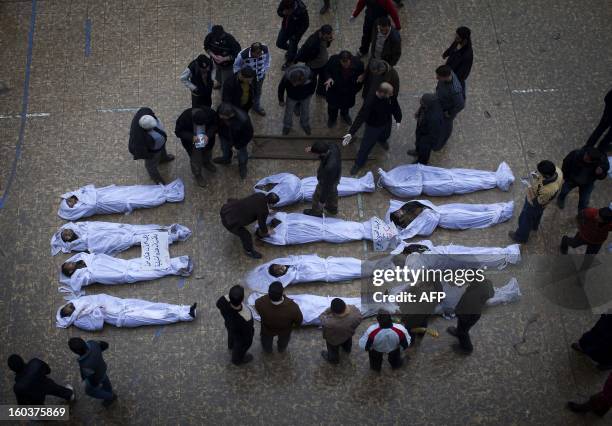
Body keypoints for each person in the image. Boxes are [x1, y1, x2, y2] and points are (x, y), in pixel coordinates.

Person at [343, 82, 402, 175]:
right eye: (390, 94)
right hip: (373, 127)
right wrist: (351, 132)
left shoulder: (390, 96)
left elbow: (395, 107)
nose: (392, 95)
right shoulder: (370, 101)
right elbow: (361, 117)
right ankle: (359, 163)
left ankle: (382, 140)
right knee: (365, 146)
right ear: (382, 93)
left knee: (385, 134)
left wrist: (398, 119)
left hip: (386, 122)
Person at [59, 252, 192, 293]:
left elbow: (95, 256)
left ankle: (177, 262)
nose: (71, 261)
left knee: (147, 262)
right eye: (69, 264)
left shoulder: (82, 259)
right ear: (71, 271)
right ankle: (177, 269)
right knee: (149, 273)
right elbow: (91, 276)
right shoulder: (79, 275)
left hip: (120, 263)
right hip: (119, 274)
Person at [58, 179, 184, 221]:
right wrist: (87, 195)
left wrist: (83, 194)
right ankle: (164, 196)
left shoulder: (80, 195)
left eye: (69, 200)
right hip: (110, 203)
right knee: (137, 199)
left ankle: (162, 190)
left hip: (109, 194)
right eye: (70, 204)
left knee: (136, 190)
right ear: (72, 209)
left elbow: (89, 188)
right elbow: (92, 203)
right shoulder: (85, 207)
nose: (71, 200)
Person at [57, 295, 197, 330]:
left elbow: (98, 298)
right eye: (68, 308)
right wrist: (98, 313)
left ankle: (183, 308)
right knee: (153, 317)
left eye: (67, 305)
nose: (69, 305)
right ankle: (185, 315)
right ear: (69, 315)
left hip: (122, 303)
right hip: (121, 317)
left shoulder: (79, 302)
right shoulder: (79, 321)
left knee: (153, 306)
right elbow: (96, 326)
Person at [378, 161, 514, 197]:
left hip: (443, 175)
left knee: (469, 175)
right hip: (443, 184)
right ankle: (496, 180)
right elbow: (416, 189)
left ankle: (495, 177)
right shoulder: (399, 188)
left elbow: (413, 169)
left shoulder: (397, 176)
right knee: (469, 182)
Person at [51, 221, 191, 255]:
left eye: (66, 232)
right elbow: (99, 247)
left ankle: (167, 229)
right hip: (116, 240)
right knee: (143, 239)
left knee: (144, 229)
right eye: (67, 237)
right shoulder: (81, 244)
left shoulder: (84, 227)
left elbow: (102, 225)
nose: (69, 234)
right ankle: (173, 237)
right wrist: (117, 242)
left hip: (118, 230)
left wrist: (118, 228)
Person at [508, 160, 562, 243]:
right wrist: (536, 176)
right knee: (538, 214)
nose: (539, 174)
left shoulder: (548, 190)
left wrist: (529, 186)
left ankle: (520, 237)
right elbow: (541, 180)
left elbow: (537, 202)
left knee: (525, 219)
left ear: (546, 175)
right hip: (543, 202)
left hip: (534, 204)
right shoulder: (557, 171)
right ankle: (534, 226)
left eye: (540, 173)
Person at [253, 170, 374, 207]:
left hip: (306, 183)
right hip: (308, 191)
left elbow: (285, 177)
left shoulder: (277, 192)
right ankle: (364, 186)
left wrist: (264, 182)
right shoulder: (279, 200)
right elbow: (292, 194)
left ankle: (361, 182)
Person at [220, 192, 280, 259]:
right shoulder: (263, 211)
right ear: (272, 204)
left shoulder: (260, 195)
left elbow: (256, 204)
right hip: (230, 223)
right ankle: (249, 251)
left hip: (226, 210)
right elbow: (262, 225)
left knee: (238, 202)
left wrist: (266, 209)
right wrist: (267, 231)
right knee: (246, 236)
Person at [128, 108, 175, 185]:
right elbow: (142, 149)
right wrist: (149, 155)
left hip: (159, 145)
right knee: (150, 166)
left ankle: (163, 158)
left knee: (162, 150)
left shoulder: (147, 117)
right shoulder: (144, 138)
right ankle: (157, 179)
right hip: (153, 151)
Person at [446, 278, 494, 354]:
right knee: (461, 325)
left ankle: (467, 348)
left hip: (468, 315)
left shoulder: (473, 295)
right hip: (469, 313)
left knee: (463, 331)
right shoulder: (483, 284)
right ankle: (458, 332)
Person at [254, 281, 303, 353]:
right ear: (282, 293)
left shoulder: (260, 302)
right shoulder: (293, 307)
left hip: (267, 329)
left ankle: (267, 350)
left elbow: (259, 311)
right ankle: (281, 349)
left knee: (266, 341)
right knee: (283, 341)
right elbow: (299, 320)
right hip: (284, 330)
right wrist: (295, 326)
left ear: (269, 292)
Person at [175, 107, 218, 187]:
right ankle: (197, 174)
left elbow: (215, 125)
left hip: (207, 141)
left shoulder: (211, 113)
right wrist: (192, 137)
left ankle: (206, 162)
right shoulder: (185, 117)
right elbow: (178, 132)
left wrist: (208, 135)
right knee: (195, 160)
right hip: (193, 144)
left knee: (208, 153)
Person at [557, 146, 609, 212]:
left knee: (584, 201)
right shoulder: (576, 154)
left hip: (587, 183)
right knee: (564, 191)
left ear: (593, 161)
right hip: (572, 179)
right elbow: (566, 163)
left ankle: (581, 214)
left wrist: (600, 174)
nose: (585, 158)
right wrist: (566, 177)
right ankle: (561, 198)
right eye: (586, 155)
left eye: (588, 159)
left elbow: (603, 176)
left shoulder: (602, 163)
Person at [8, 355, 74, 405]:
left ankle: (45, 417)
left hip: (34, 396)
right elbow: (48, 370)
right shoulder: (35, 363)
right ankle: (70, 395)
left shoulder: (18, 387)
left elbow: (21, 402)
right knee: (58, 390)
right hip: (46, 384)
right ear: (22, 360)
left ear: (13, 370)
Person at [68, 337, 117, 407]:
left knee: (90, 391)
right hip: (102, 367)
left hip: (96, 376)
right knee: (104, 378)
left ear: (76, 352)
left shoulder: (85, 364)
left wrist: (94, 384)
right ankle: (109, 390)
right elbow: (105, 345)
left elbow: (91, 378)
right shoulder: (93, 343)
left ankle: (110, 397)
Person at [213, 102, 254, 179]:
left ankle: (242, 166)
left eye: (222, 116)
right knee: (225, 149)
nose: (220, 117)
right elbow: (217, 121)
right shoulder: (220, 109)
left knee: (242, 155)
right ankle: (226, 159)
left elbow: (248, 135)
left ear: (231, 115)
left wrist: (238, 146)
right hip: (224, 136)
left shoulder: (244, 120)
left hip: (238, 140)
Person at [323, 50, 364, 127]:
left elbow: (361, 78)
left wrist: (354, 90)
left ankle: (344, 115)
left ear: (350, 60)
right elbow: (326, 70)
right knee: (332, 107)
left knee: (346, 106)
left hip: (348, 92)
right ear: (339, 60)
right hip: (334, 91)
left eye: (347, 63)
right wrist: (328, 78)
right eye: (343, 63)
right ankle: (332, 118)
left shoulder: (359, 64)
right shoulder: (333, 60)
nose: (345, 65)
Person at [216, 285, 255, 365]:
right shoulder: (246, 315)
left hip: (229, 325)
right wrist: (248, 341)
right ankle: (236, 360)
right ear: (242, 299)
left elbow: (218, 304)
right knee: (239, 347)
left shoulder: (223, 300)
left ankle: (230, 346)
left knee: (231, 336)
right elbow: (248, 333)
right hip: (241, 336)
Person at [303, 141, 341, 216]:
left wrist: (322, 201)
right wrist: (313, 149)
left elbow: (326, 187)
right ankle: (332, 209)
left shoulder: (329, 167)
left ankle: (316, 211)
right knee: (333, 192)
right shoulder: (333, 146)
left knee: (317, 195)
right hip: (336, 175)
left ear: (322, 154)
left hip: (328, 180)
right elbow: (327, 144)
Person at [319, 298, 362, 364]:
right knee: (347, 343)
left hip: (334, 340)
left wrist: (327, 311)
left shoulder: (329, 322)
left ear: (333, 311)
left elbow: (321, 317)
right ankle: (347, 350)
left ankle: (333, 360)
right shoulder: (355, 310)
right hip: (348, 334)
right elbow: (359, 320)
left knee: (333, 350)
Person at [233, 42, 271, 116]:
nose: (259, 55)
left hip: (260, 77)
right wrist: (242, 77)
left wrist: (264, 70)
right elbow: (236, 66)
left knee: (258, 92)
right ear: (251, 51)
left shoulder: (265, 49)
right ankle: (244, 107)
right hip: (247, 80)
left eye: (260, 53)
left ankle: (256, 107)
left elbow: (267, 60)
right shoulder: (242, 55)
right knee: (246, 93)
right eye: (257, 54)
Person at [295, 25, 334, 96]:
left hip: (324, 64)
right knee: (312, 82)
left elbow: (326, 46)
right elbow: (304, 51)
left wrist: (329, 41)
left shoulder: (325, 37)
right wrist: (297, 60)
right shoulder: (312, 42)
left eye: (331, 34)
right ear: (322, 33)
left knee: (323, 79)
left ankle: (320, 93)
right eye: (328, 35)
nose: (330, 36)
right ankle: (307, 95)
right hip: (313, 67)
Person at [278, 63, 316, 135]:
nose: (293, 85)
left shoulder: (310, 76)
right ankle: (287, 125)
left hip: (305, 97)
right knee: (288, 112)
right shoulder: (286, 77)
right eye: (292, 82)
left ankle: (305, 124)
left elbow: (314, 84)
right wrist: (281, 100)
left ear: (302, 78)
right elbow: (281, 88)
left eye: (296, 83)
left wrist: (310, 93)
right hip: (291, 97)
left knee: (305, 110)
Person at [406, 93, 444, 164]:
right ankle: (417, 151)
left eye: (423, 103)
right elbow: (422, 107)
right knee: (418, 142)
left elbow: (434, 133)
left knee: (424, 150)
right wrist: (419, 112)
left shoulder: (435, 117)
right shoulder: (429, 105)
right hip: (421, 128)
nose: (421, 104)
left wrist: (428, 143)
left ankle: (422, 162)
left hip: (427, 137)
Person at [435, 64, 465, 148]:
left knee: (446, 126)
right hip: (441, 102)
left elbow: (461, 105)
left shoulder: (455, 90)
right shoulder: (448, 73)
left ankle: (440, 144)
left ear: (446, 77)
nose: (437, 78)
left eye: (439, 77)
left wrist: (449, 113)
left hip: (447, 110)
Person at [203, 25, 241, 89]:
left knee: (226, 82)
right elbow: (206, 47)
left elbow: (237, 53)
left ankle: (225, 93)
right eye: (216, 37)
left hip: (227, 65)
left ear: (223, 33)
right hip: (216, 62)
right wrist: (213, 56)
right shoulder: (210, 37)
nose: (218, 39)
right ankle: (219, 83)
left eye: (220, 36)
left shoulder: (230, 39)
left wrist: (224, 59)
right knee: (218, 74)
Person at [276, 0, 310, 70]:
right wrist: (283, 13)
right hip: (285, 28)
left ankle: (289, 61)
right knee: (279, 43)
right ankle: (292, 51)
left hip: (295, 33)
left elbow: (305, 25)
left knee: (292, 48)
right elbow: (279, 11)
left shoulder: (301, 10)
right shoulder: (284, 2)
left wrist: (297, 35)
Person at [442, 26, 473, 96]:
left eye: (458, 38)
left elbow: (462, 72)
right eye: (455, 36)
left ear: (465, 40)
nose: (455, 39)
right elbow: (452, 47)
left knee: (455, 90)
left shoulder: (467, 55)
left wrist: (450, 79)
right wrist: (445, 54)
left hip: (456, 75)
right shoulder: (458, 41)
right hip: (450, 67)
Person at [585, 88, 612, 152]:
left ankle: (588, 147)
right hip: (609, 112)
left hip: (609, 112)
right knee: (609, 135)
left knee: (600, 128)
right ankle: (601, 149)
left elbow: (607, 97)